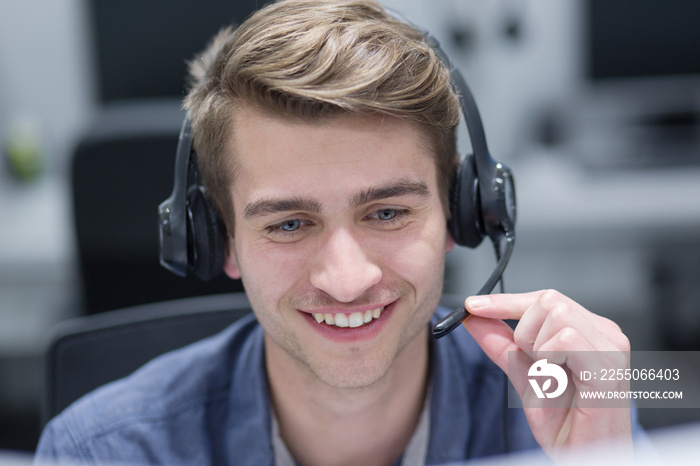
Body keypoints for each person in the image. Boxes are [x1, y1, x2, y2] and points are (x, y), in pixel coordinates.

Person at [36, 1, 643, 464]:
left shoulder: (568, 406)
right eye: (290, 224)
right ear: (218, 240)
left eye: (386, 213)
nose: (348, 281)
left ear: (464, 215)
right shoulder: (102, 450)